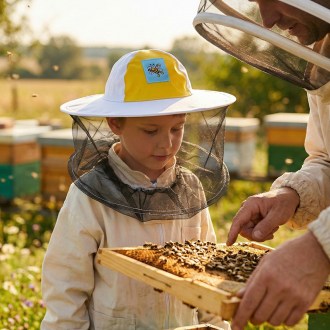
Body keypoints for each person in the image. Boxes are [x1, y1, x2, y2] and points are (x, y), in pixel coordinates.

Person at [40, 49, 236, 329]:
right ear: (115, 123)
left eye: (176, 129)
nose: (166, 144)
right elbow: (65, 290)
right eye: (150, 131)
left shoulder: (190, 187)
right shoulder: (90, 196)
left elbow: (208, 277)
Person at [193, 0, 330, 328]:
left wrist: (319, 248)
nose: (266, 21)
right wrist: (292, 194)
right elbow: (328, 157)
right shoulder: (322, 54)